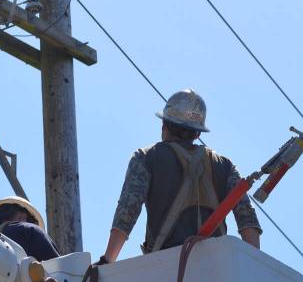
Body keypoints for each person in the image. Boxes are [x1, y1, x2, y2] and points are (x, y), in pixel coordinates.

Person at [101, 89, 262, 264]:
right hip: (217, 269)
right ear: (198, 133)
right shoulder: (225, 165)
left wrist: (108, 260)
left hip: (165, 268)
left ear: (165, 125)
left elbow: (127, 212)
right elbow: (247, 218)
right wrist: (253, 266)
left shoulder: (146, 157)